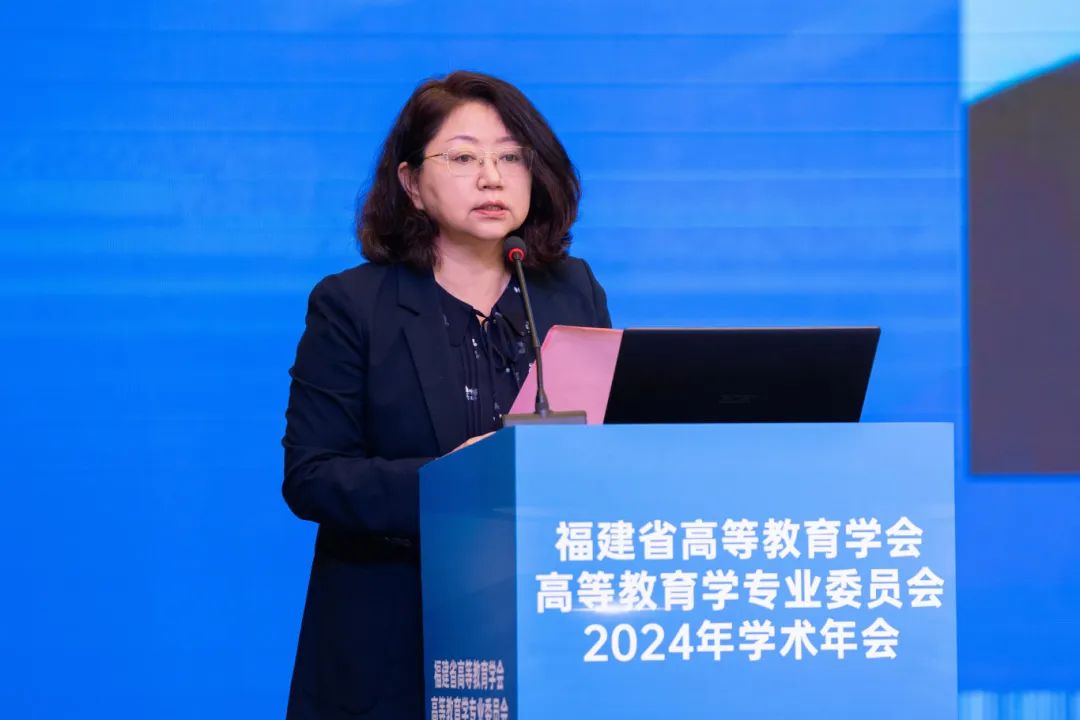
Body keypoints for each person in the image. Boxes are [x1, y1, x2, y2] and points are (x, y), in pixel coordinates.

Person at [281, 70, 611, 719]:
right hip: (397, 637)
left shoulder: (570, 292)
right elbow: (312, 477)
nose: (492, 178)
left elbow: (598, 446)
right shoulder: (353, 306)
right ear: (411, 184)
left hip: (540, 629)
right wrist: (451, 483)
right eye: (463, 158)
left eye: (511, 157)